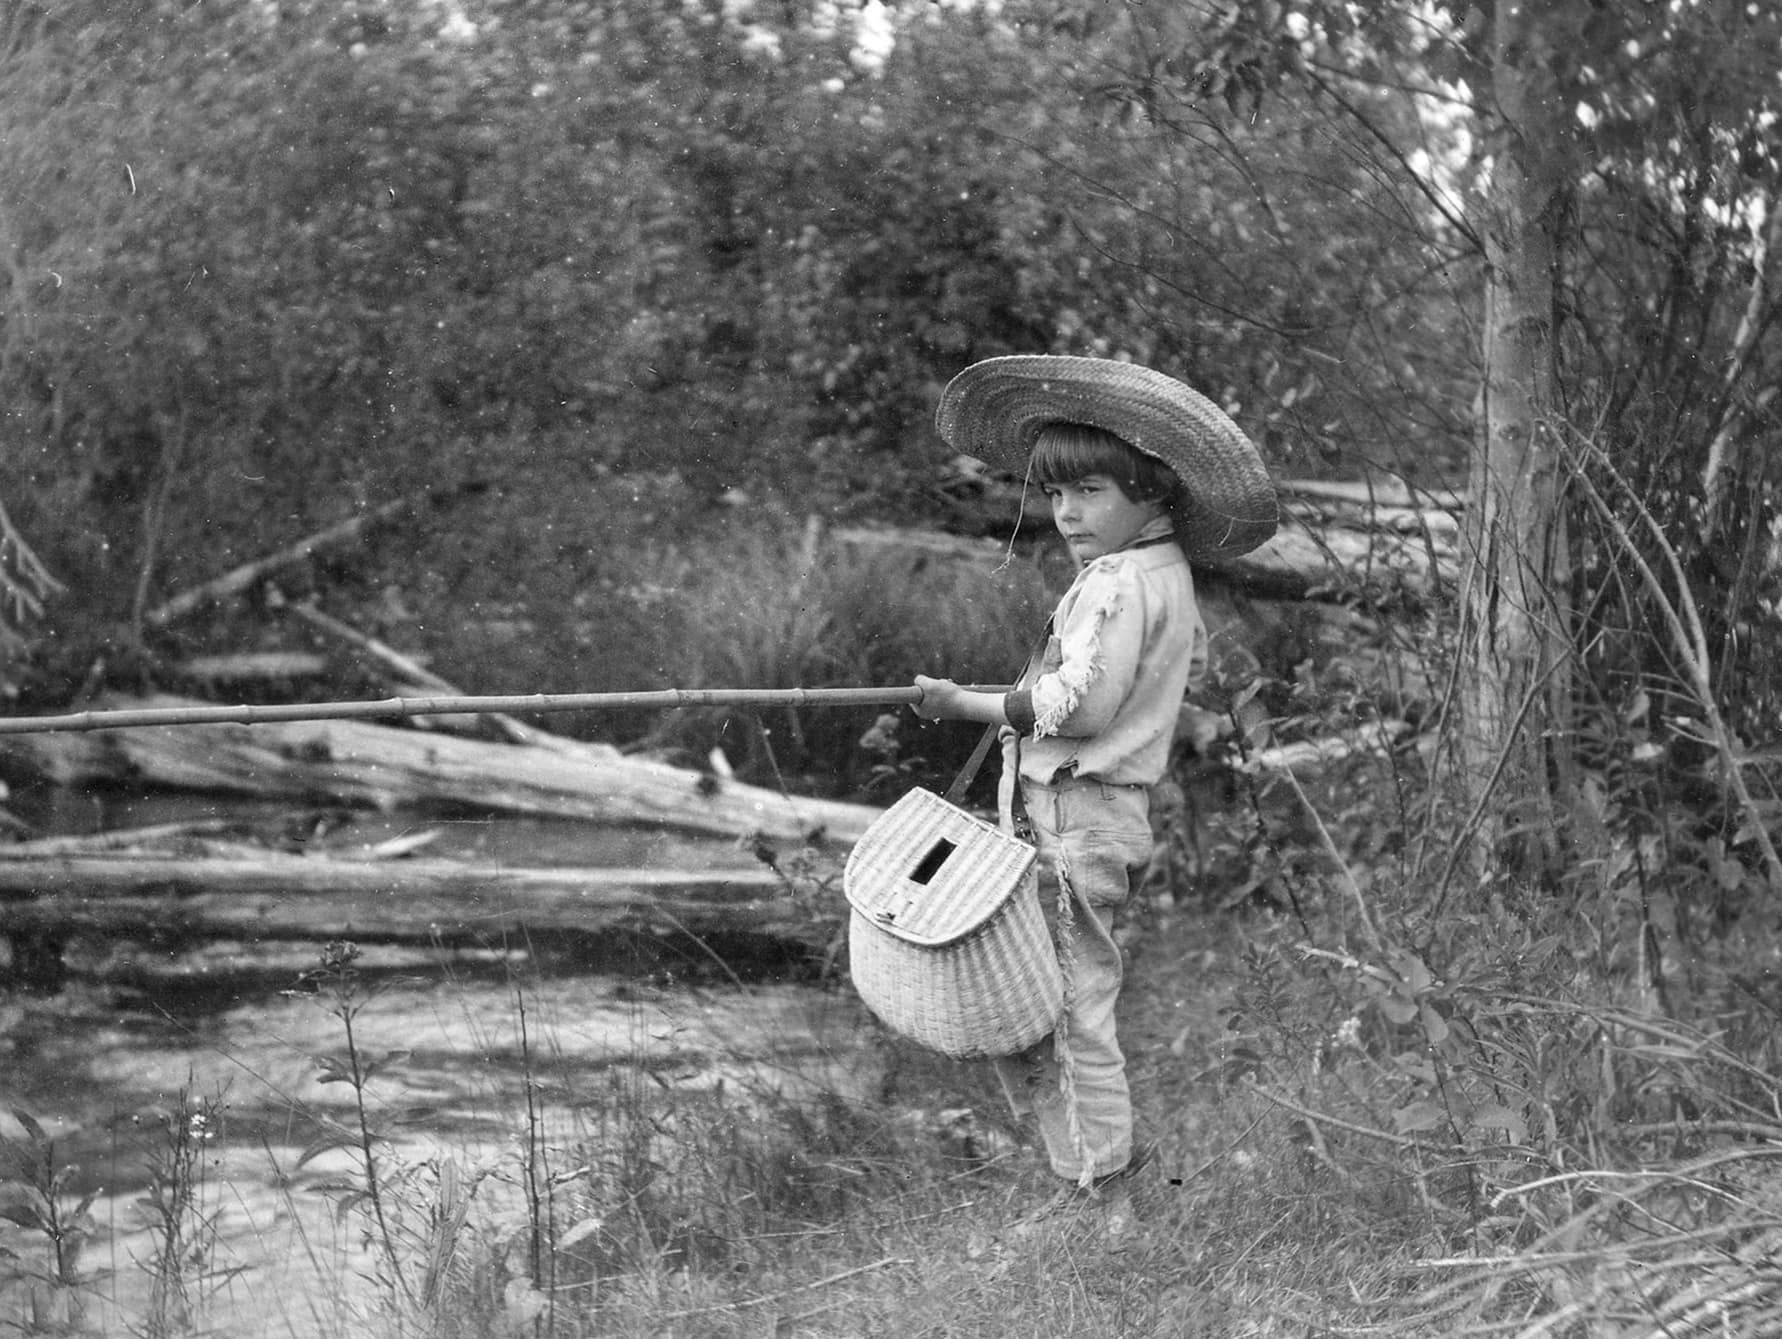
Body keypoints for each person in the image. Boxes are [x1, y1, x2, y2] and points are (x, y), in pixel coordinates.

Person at [912, 355, 1277, 1205]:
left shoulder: (1118, 581)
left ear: (1154, 494)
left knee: (1062, 1010)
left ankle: (1101, 1191)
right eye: (1057, 494)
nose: (1069, 513)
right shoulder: (1161, 572)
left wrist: (960, 702)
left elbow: (1075, 707)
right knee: (1058, 1002)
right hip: (1090, 811)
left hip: (1072, 814)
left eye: (1092, 493)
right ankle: (1092, 1177)